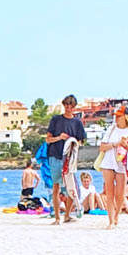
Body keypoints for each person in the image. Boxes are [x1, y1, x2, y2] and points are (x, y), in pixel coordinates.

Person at [46, 95, 86, 225]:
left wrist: (73, 145)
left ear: (74, 107)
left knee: (70, 187)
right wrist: (59, 137)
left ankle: (67, 215)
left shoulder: (77, 123)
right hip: (55, 155)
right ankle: (57, 217)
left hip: (69, 159)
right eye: (66, 106)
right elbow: (48, 139)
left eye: (71, 106)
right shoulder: (56, 120)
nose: (68, 109)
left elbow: (80, 141)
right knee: (56, 187)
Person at [97, 107, 128, 228]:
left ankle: (116, 216)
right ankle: (110, 220)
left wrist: (127, 146)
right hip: (108, 163)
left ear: (126, 117)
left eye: (119, 116)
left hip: (122, 165)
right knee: (109, 193)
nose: (116, 118)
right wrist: (115, 144)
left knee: (120, 194)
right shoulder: (111, 129)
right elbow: (102, 147)